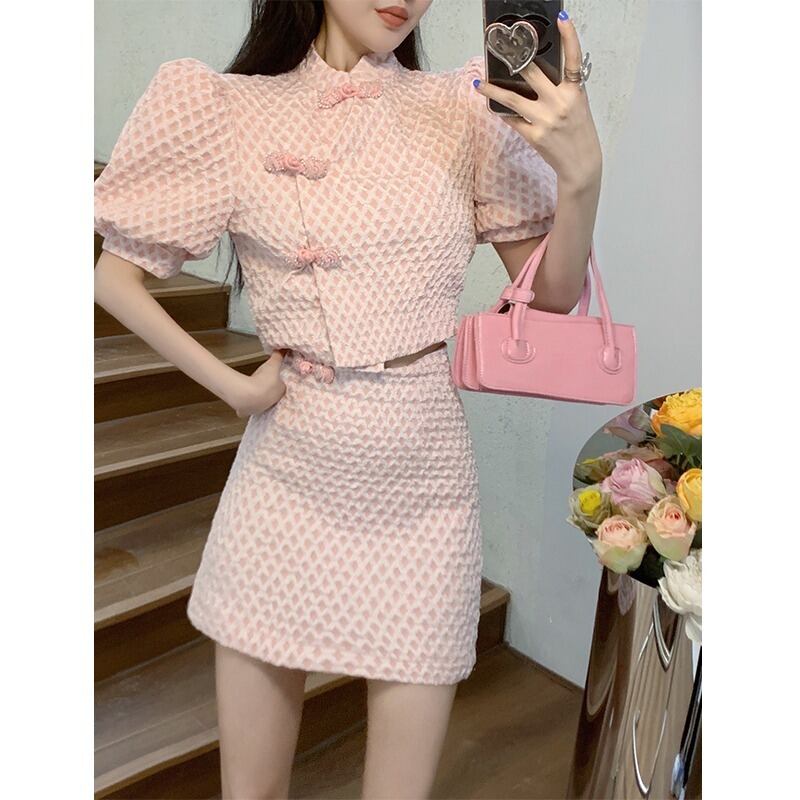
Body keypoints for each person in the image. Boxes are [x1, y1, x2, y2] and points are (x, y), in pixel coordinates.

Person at [93, 1, 602, 797]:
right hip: (285, 485)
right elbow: (114, 279)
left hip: (424, 493)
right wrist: (235, 388)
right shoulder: (226, 108)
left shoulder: (462, 109)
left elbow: (555, 296)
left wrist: (582, 176)